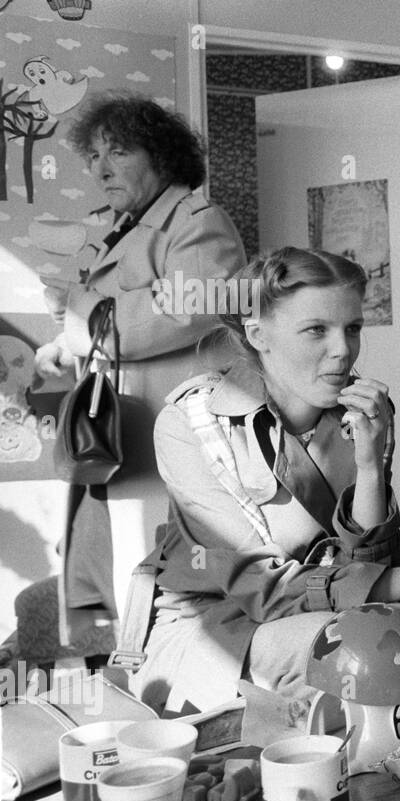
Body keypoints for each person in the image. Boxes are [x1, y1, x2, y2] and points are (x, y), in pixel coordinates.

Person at [130, 248, 400, 713]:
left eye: (353, 328)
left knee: (388, 654)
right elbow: (263, 590)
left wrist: (369, 467)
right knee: (357, 659)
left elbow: (368, 565)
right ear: (258, 334)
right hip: (214, 629)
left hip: (323, 617)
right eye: (316, 330)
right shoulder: (191, 423)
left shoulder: (361, 414)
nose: (343, 350)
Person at [33, 92, 246, 631]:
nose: (101, 170)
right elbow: (122, 325)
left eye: (119, 153)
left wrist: (79, 314)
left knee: (167, 581)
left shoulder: (198, 219)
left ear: (162, 157)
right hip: (132, 431)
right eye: (95, 157)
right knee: (127, 571)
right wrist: (67, 344)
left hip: (171, 435)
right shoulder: (131, 227)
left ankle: (169, 689)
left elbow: (189, 309)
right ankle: (135, 678)